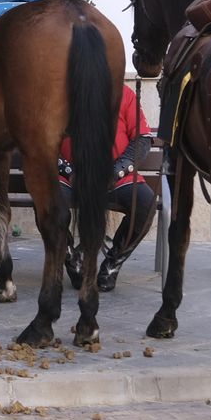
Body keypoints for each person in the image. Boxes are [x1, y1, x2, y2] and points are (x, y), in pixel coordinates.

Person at [60, 84, 156, 292]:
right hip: (70, 177)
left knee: (145, 204)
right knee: (49, 203)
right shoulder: (59, 91)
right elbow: (42, 138)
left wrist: (115, 172)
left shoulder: (125, 94)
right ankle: (72, 260)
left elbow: (142, 139)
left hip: (115, 177)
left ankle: (112, 264)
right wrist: (68, 171)